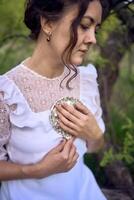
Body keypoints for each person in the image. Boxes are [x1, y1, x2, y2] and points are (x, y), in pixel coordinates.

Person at [0, 0, 109, 199]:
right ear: (48, 24)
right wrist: (37, 170)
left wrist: (95, 135)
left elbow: (95, 147)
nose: (92, 38)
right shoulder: (7, 93)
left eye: (96, 29)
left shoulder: (86, 80)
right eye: (85, 25)